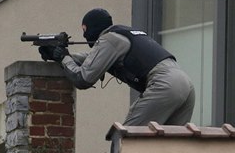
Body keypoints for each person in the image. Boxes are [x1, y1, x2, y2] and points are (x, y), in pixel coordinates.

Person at [39, 8, 195, 126]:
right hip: (185, 85)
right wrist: (60, 56)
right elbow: (91, 59)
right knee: (170, 145)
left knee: (127, 140)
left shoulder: (109, 39)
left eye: (85, 30)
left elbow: (83, 79)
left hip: (164, 84)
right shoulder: (124, 33)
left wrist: (63, 58)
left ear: (93, 28)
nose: (85, 37)